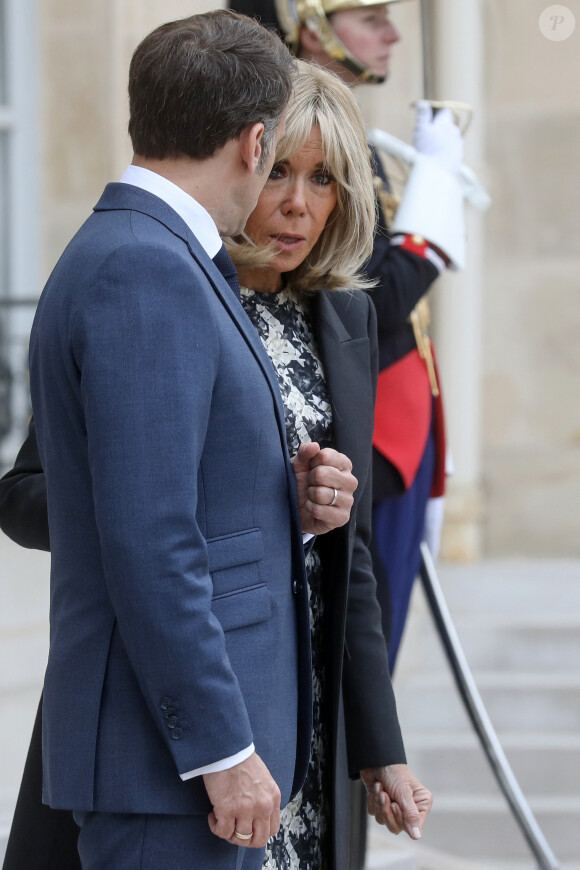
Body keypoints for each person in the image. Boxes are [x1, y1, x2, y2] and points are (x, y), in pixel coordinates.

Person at [1, 58, 432, 870]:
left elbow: (354, 559)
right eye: (280, 172)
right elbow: (27, 493)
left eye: (326, 180)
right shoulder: (162, 282)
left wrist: (380, 747)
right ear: (246, 157)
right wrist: (239, 511)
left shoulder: (342, 318)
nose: (298, 204)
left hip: (297, 707)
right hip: (168, 705)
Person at [228, 0, 464, 674]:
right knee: (351, 653)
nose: (391, 34)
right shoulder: (294, 127)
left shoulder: (353, 132)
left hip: (398, 427)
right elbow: (364, 299)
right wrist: (429, 233)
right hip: (362, 432)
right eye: (370, 16)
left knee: (371, 651)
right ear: (314, 23)